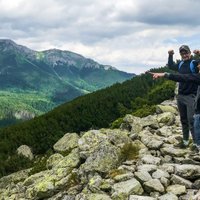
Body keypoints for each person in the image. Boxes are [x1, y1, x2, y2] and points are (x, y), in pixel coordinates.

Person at [149, 71, 200, 153]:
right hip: (193, 106)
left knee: (193, 124)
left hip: (194, 106)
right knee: (189, 122)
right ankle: (190, 143)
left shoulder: (195, 73)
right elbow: (182, 77)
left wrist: (164, 74)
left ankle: (196, 145)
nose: (198, 67)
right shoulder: (196, 76)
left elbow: (184, 77)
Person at [167, 45, 199, 148]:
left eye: (186, 53)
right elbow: (171, 65)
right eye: (182, 53)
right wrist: (170, 55)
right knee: (183, 119)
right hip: (180, 95)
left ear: (190, 53)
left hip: (191, 96)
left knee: (192, 120)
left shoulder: (194, 63)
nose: (184, 55)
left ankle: (196, 143)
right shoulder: (180, 64)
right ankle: (185, 141)